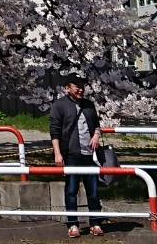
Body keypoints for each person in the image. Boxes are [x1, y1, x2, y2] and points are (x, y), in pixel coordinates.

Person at [49, 72, 103, 238]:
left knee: (93, 191)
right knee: (71, 190)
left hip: (90, 155)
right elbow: (54, 131)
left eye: (82, 86)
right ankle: (72, 224)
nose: (80, 89)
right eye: (77, 86)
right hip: (71, 154)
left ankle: (95, 222)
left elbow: (97, 125)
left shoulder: (89, 104)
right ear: (67, 88)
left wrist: (96, 135)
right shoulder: (59, 105)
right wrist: (57, 154)